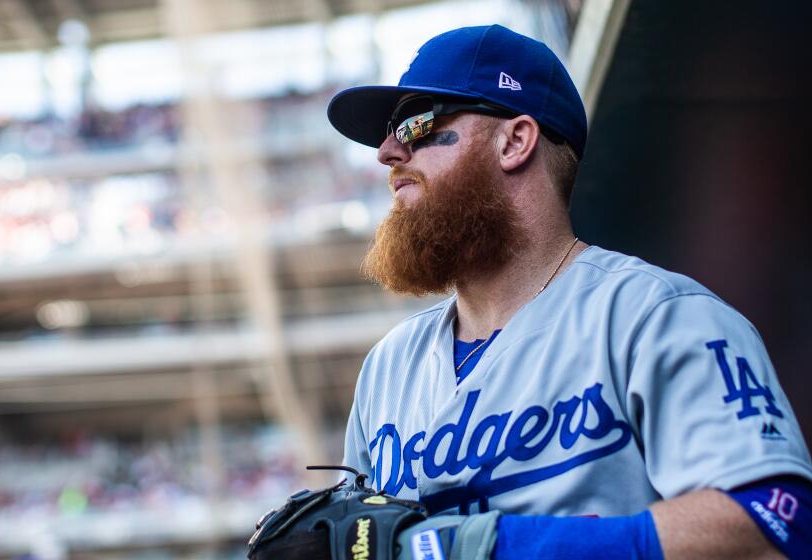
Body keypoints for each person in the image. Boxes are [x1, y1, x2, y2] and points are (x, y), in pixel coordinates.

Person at [327, 25, 812, 559]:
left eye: (417, 123)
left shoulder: (658, 318)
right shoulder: (388, 369)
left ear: (515, 141)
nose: (389, 152)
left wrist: (486, 547)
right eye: (389, 133)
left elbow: (773, 525)